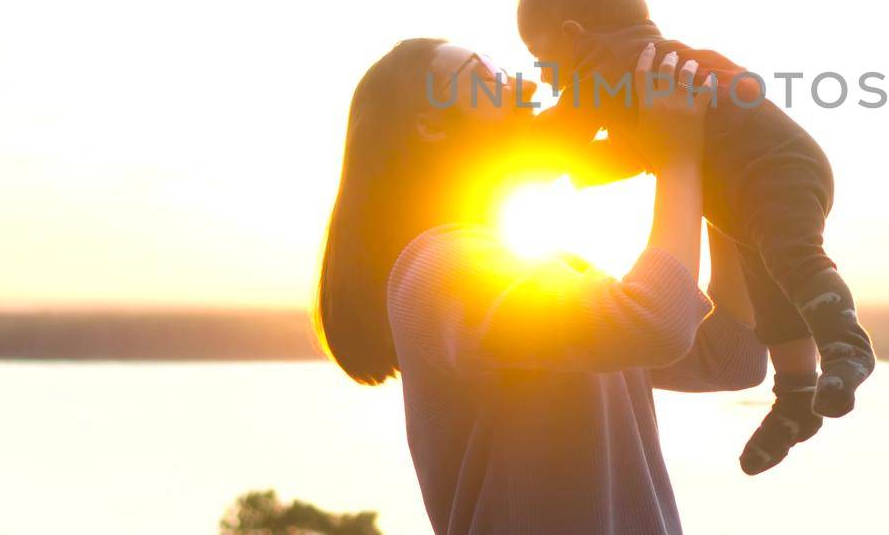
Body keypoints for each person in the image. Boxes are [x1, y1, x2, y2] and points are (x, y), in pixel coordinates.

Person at [314, 37, 765, 535]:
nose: (525, 86)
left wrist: (714, 176)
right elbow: (658, 321)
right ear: (429, 125)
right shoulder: (440, 270)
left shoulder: (547, 275)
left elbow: (732, 355)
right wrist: (679, 159)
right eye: (489, 79)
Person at [518, 0, 877, 475]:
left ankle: (846, 343)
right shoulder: (650, 70)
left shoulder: (610, 68)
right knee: (772, 292)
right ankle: (797, 398)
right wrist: (584, 169)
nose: (545, 78)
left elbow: (561, 134)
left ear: (573, 35)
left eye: (541, 60)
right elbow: (644, 151)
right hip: (746, 191)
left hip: (776, 171)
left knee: (790, 257)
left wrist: (508, 148)